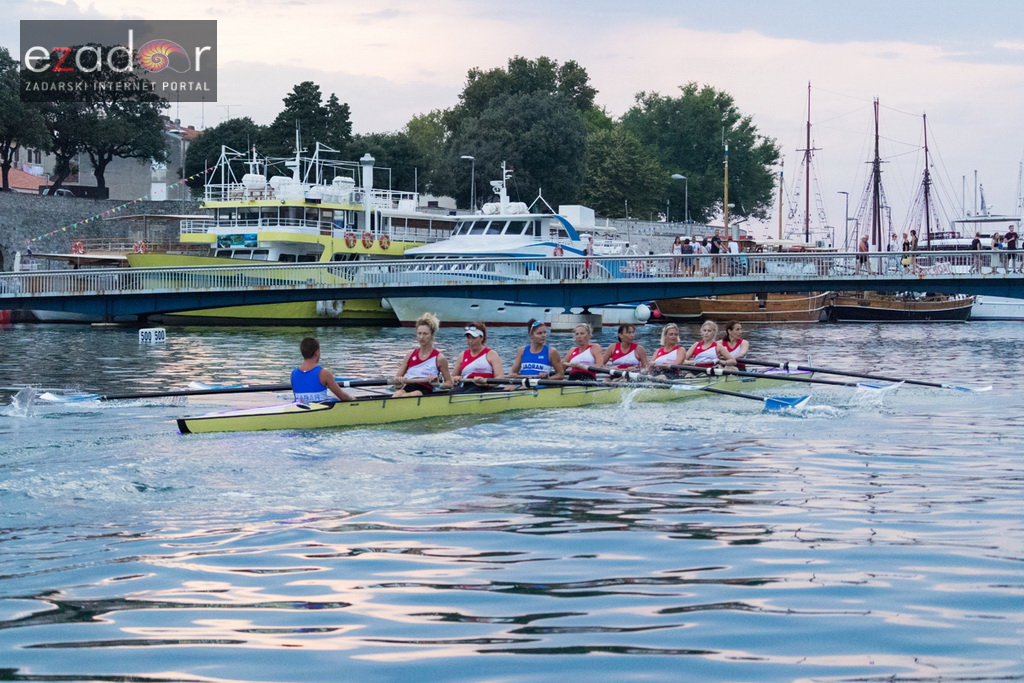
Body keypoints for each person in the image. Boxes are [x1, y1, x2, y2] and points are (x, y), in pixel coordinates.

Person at [392, 312, 453, 397]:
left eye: (425, 334)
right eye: (419, 333)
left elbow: (449, 383)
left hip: (426, 390)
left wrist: (438, 385)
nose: (421, 337)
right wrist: (399, 383)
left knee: (407, 396)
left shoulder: (440, 359)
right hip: (409, 386)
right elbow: (397, 381)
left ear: (432, 335)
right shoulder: (410, 355)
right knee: (397, 394)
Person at [291, 337, 354, 403]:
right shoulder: (324, 373)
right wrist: (353, 399)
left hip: (302, 409)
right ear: (317, 353)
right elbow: (343, 396)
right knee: (337, 396)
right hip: (321, 409)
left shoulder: (294, 373)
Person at [452, 322, 504, 392]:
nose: (470, 341)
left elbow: (500, 377)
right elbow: (453, 376)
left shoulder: (491, 354)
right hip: (465, 385)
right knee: (452, 392)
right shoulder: (462, 355)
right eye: (468, 338)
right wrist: (455, 378)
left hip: (484, 387)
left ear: (481, 338)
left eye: (473, 338)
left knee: (472, 391)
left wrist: (485, 382)